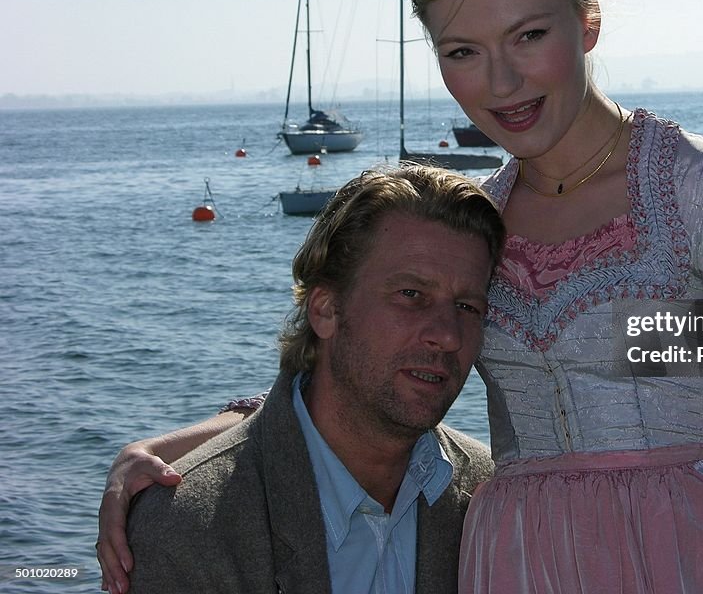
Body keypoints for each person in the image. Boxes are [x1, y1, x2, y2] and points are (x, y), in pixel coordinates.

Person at [100, 0, 703, 594]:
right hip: (513, 563)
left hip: (690, 558)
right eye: (462, 51)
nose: (500, 83)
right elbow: (372, 372)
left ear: (588, 20)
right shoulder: (475, 222)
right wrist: (179, 451)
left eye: (529, 35)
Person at [114, 165, 503, 594]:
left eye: (468, 307)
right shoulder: (186, 528)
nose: (447, 335)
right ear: (324, 310)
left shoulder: (491, 500)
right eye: (411, 295)